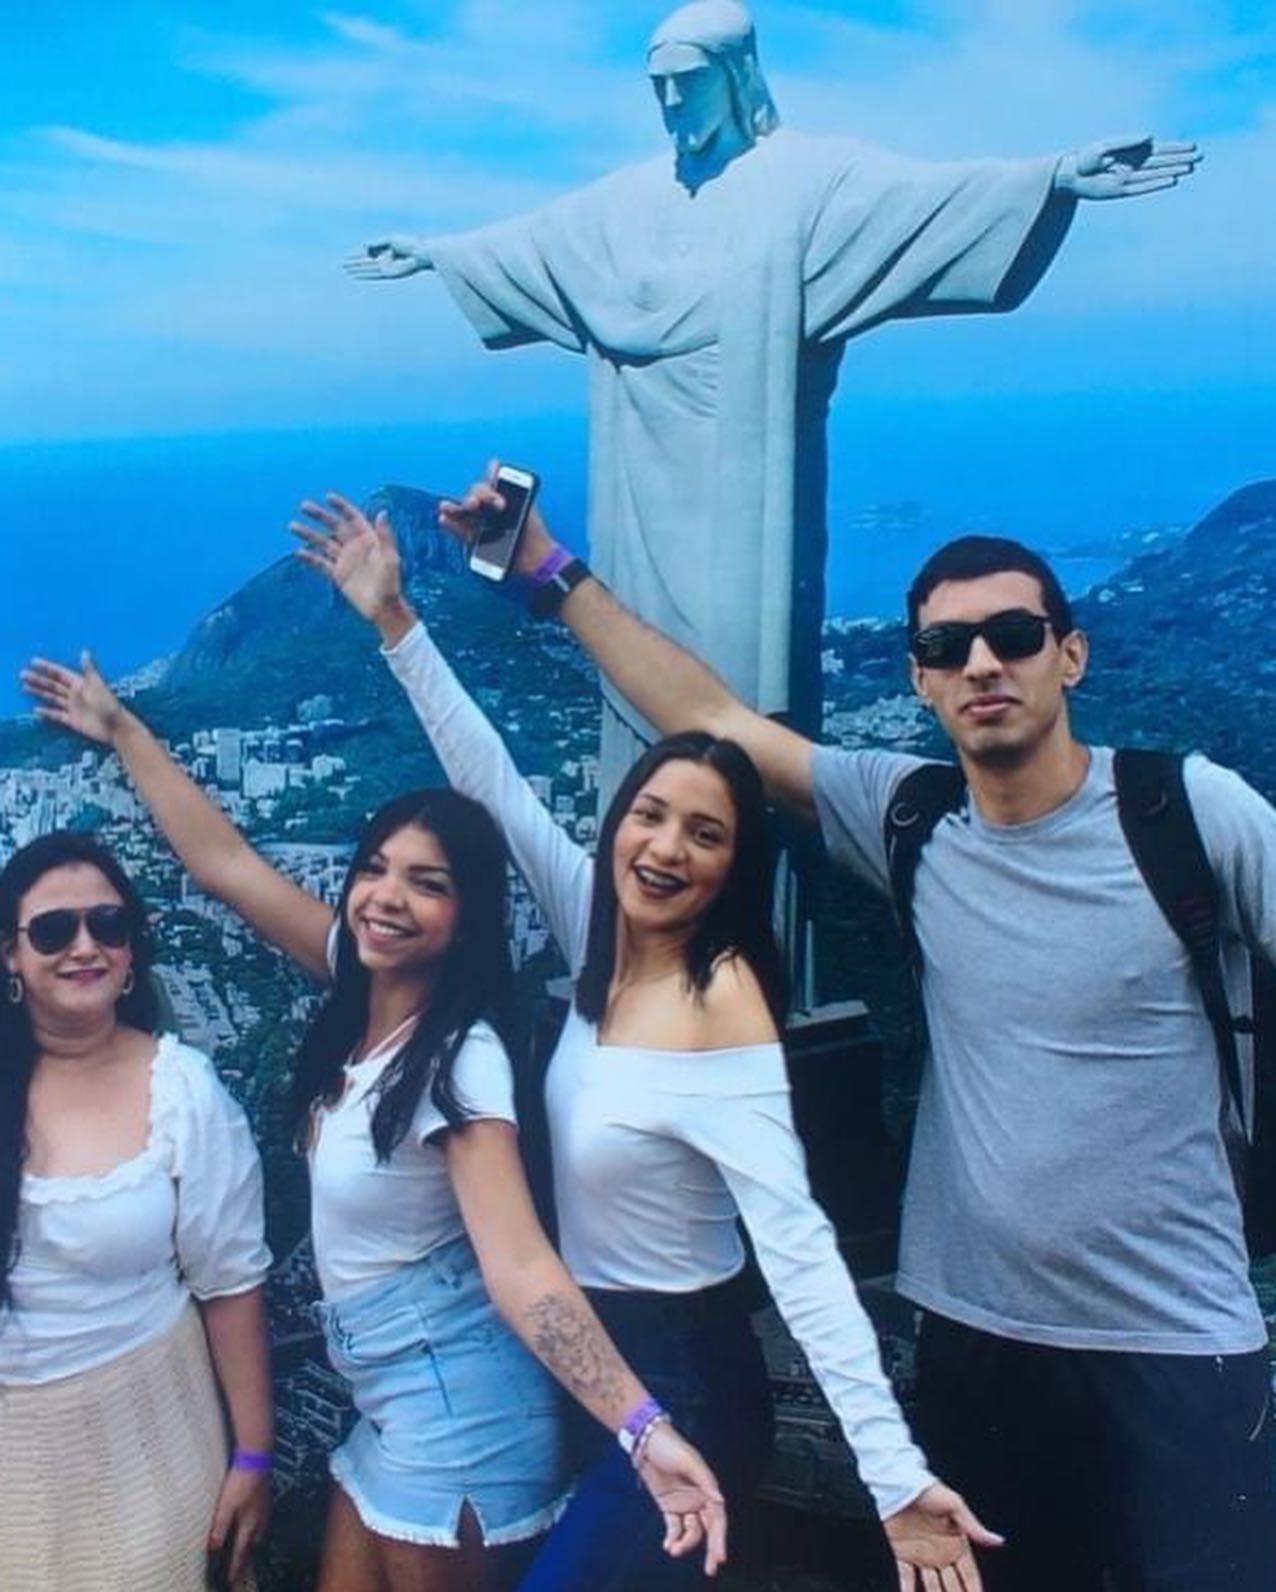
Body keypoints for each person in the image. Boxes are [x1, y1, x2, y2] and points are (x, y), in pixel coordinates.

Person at [439, 475, 1276, 1592]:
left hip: (1178, 1337)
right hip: (976, 1337)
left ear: (1067, 655)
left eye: (1014, 634)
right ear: (922, 680)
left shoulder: (1187, 812)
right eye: (949, 645)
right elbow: (716, 721)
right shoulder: (909, 815)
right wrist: (544, 568)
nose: (984, 662)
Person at [280, 492, 1001, 1592]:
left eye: (706, 831)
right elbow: (494, 788)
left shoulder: (721, 1012)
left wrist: (893, 1477)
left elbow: (799, 1249)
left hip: (683, 1378)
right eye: (649, 813)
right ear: (617, 822)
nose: (665, 845)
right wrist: (396, 623)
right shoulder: (602, 934)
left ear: (732, 866)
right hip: (579, 1365)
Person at [344, 0, 1200, 790]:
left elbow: (927, 202)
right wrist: (433, 253)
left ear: (738, 76)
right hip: (638, 502)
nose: (674, 103)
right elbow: (531, 245)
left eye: (691, 83)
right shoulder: (622, 206)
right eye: (660, 88)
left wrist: (1051, 177)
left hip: (745, 526)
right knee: (633, 714)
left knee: (741, 735)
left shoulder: (811, 185)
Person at [22, 659, 727, 1592]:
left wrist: (640, 1428)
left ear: (468, 917)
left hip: (460, 1410)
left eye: (427, 885)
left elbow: (520, 1265)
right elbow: (226, 864)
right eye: (375, 870)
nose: (387, 898)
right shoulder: (361, 985)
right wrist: (122, 728)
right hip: (389, 1400)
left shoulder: (457, 1058)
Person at [0, 831, 272, 1592]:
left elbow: (231, 1286)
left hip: (147, 1436)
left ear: (130, 951)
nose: (84, 946)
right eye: (54, 930)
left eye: (107, 925)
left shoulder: (181, 1092)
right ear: (10, 956)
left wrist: (253, 1454)